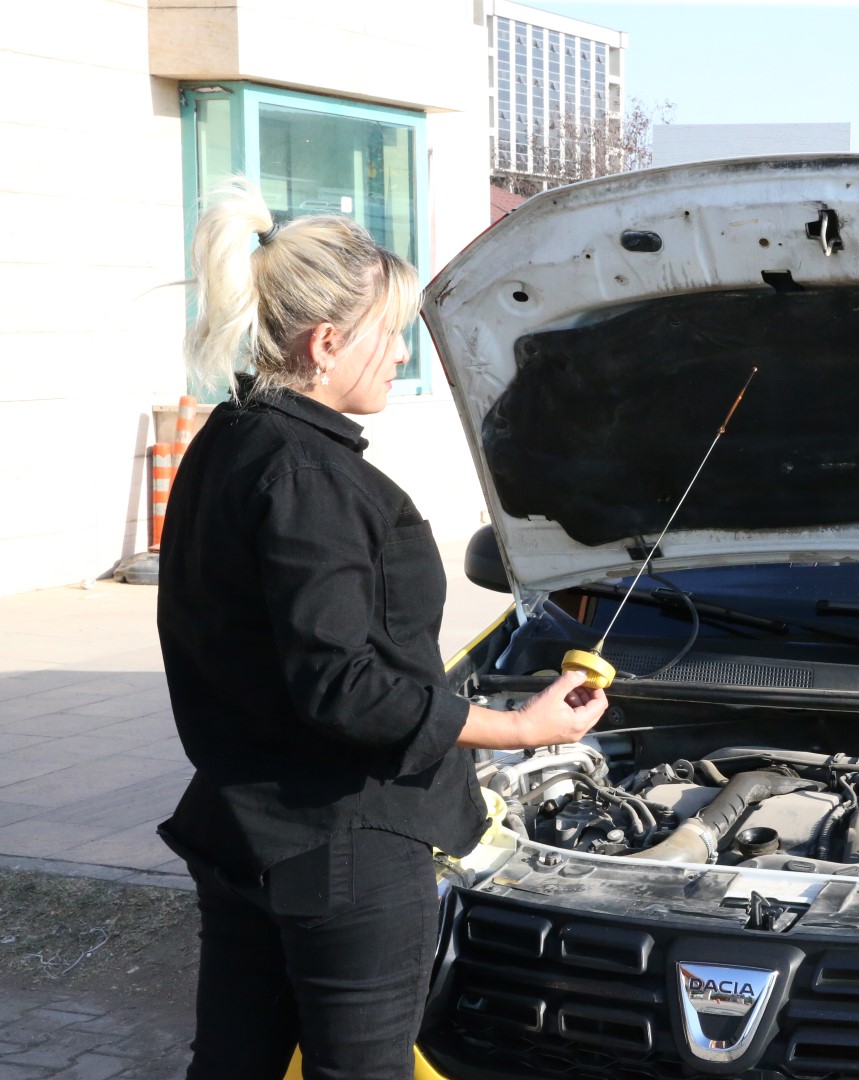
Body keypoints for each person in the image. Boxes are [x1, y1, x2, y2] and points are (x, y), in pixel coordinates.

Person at [156, 178, 609, 1080]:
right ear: (327, 345)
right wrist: (522, 729)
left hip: (242, 826)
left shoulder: (226, 439)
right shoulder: (313, 477)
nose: (399, 352)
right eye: (389, 332)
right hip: (344, 847)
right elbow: (343, 687)